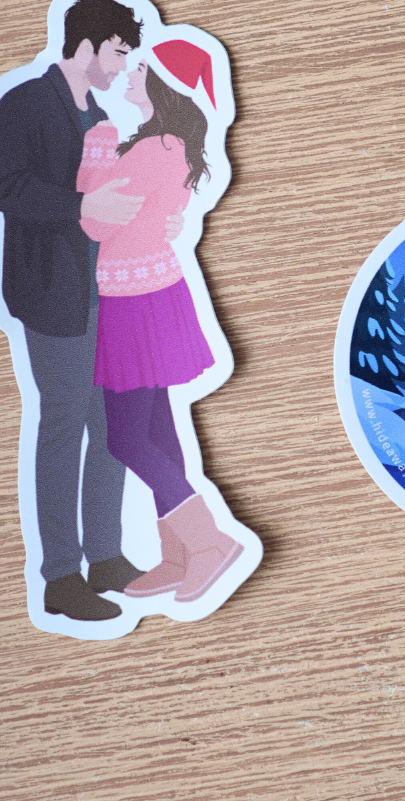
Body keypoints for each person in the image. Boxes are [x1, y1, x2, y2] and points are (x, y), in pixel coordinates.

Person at [0, 0, 152, 622]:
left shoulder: (97, 115)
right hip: (51, 291)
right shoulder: (24, 103)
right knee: (62, 422)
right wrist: (81, 208)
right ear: (88, 45)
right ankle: (59, 576)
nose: (121, 65)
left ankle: (104, 556)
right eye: (118, 52)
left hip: (104, 288)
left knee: (112, 424)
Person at [76, 49, 243, 604]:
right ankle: (178, 553)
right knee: (159, 432)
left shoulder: (151, 149)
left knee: (126, 437)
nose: (131, 74)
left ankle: (209, 542)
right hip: (152, 293)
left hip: (132, 302)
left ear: (167, 86)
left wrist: (97, 147)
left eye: (142, 70)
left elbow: (95, 222)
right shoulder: (171, 146)